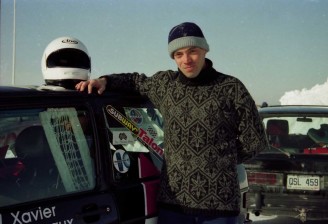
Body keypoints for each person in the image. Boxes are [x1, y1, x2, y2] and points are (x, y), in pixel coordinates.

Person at [76, 22, 268, 224]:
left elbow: (255, 140)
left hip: (219, 207)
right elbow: (135, 81)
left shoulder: (231, 88)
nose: (186, 60)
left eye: (192, 51)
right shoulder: (166, 85)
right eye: (179, 54)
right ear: (173, 57)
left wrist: (220, 159)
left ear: (204, 50)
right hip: (173, 204)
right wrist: (105, 80)